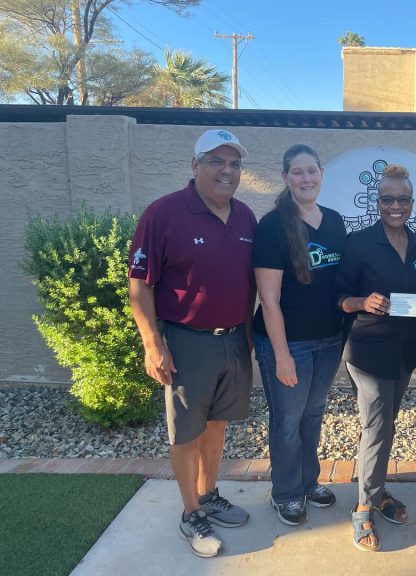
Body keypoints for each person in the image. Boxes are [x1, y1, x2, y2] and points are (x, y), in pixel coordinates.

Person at [128, 129, 256, 558]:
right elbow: (140, 286)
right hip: (186, 342)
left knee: (218, 424)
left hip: (235, 340)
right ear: (195, 165)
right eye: (216, 161)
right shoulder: (163, 214)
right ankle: (189, 512)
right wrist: (152, 344)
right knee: (186, 432)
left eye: (234, 163)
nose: (226, 170)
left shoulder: (245, 217)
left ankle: (209, 494)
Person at [336, 165, 416, 552]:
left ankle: (375, 490)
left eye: (403, 199)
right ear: (377, 203)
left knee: (386, 425)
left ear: (412, 203)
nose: (396, 206)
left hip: (404, 350)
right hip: (367, 350)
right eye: (388, 199)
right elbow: (338, 297)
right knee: (375, 425)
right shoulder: (358, 243)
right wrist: (362, 301)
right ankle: (363, 507)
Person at [253, 144, 346, 527]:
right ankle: (286, 493)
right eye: (298, 172)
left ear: (322, 173)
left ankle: (309, 482)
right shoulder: (272, 226)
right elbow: (269, 300)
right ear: (285, 177)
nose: (306, 179)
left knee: (313, 415)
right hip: (289, 343)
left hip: (329, 341)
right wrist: (281, 355)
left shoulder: (336, 221)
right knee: (287, 421)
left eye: (312, 171)